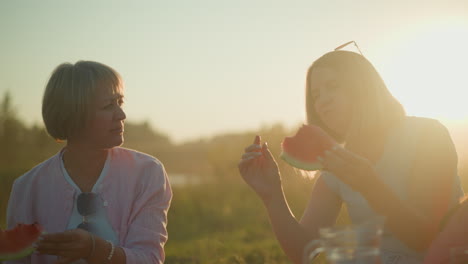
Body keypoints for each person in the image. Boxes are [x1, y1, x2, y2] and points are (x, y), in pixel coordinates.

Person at [238, 48, 464, 264]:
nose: (322, 101)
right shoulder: (336, 165)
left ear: (363, 87)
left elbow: (425, 236)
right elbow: (302, 252)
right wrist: (272, 196)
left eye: (333, 86)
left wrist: (369, 185)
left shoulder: (426, 135)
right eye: (316, 94)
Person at [6, 61, 172, 264]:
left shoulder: (147, 173)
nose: (121, 115)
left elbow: (150, 259)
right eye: (107, 106)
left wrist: (94, 249)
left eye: (120, 102)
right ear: (74, 114)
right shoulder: (27, 188)